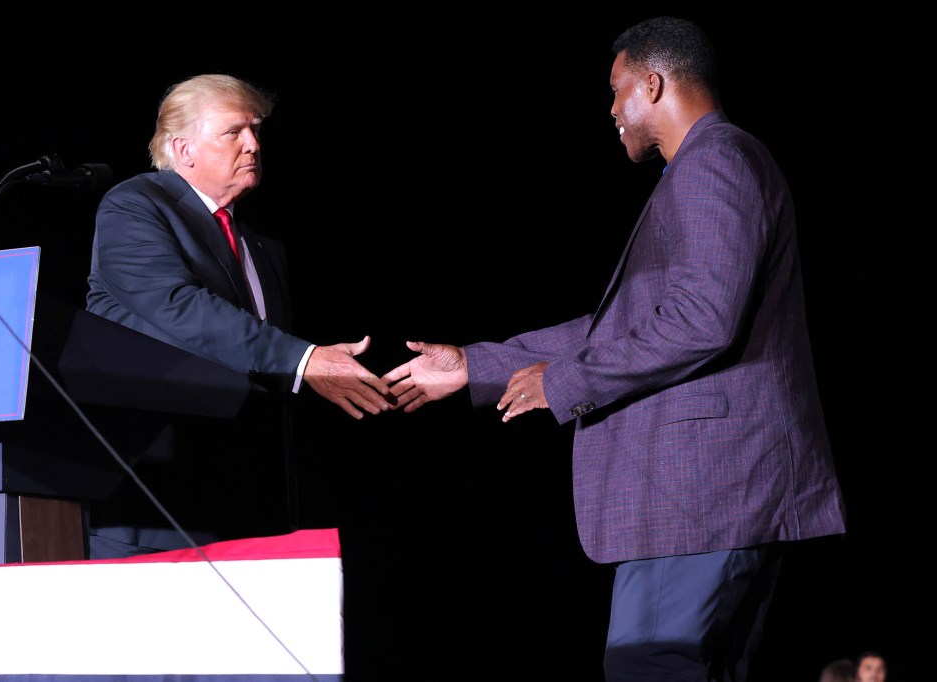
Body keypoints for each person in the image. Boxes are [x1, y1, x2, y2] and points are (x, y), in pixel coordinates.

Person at [381, 16, 846, 681]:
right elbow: (630, 320)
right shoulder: (716, 165)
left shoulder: (712, 162)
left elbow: (701, 319)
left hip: (700, 497)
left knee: (651, 669)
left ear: (652, 85)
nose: (611, 111)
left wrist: (563, 383)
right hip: (722, 497)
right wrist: (475, 366)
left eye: (616, 91)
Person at [85, 73, 393, 558]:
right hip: (160, 501)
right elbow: (177, 308)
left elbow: (261, 362)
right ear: (183, 149)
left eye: (255, 131)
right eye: (233, 132)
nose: (252, 144)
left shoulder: (264, 247)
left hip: (252, 503)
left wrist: (310, 373)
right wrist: (304, 359)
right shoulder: (135, 205)